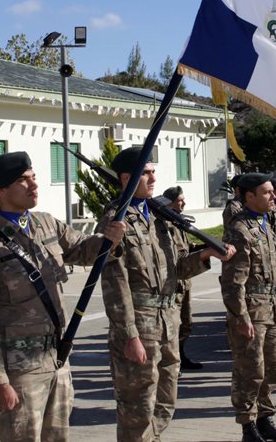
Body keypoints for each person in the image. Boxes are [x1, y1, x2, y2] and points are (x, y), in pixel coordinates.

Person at [0, 151, 124, 442]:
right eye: (23, 180)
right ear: (1, 191)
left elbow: (82, 249)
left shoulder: (46, 223)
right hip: (18, 371)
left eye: (33, 178)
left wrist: (109, 240)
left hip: (56, 360)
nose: (34, 185)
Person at [100, 147, 233, 441]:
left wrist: (207, 254)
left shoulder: (162, 217)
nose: (153, 178)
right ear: (126, 178)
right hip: (139, 322)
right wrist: (129, 335)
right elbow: (114, 283)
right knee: (137, 404)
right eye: (145, 173)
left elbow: (179, 268)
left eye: (152, 171)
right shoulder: (116, 220)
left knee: (165, 398)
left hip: (167, 319)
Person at [221, 173, 276, 442]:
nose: (274, 196)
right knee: (249, 370)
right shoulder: (239, 229)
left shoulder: (264, 225)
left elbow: (271, 265)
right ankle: (248, 425)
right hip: (252, 311)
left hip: (272, 307)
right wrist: (241, 317)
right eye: (266, 192)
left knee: (271, 369)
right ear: (249, 196)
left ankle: (265, 419)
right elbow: (233, 282)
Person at [156, 185, 202, 370]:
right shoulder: (164, 224)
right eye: (179, 200)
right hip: (174, 283)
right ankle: (171, 361)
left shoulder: (178, 222)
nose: (183, 203)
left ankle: (181, 356)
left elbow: (183, 248)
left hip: (186, 281)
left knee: (186, 323)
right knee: (172, 325)